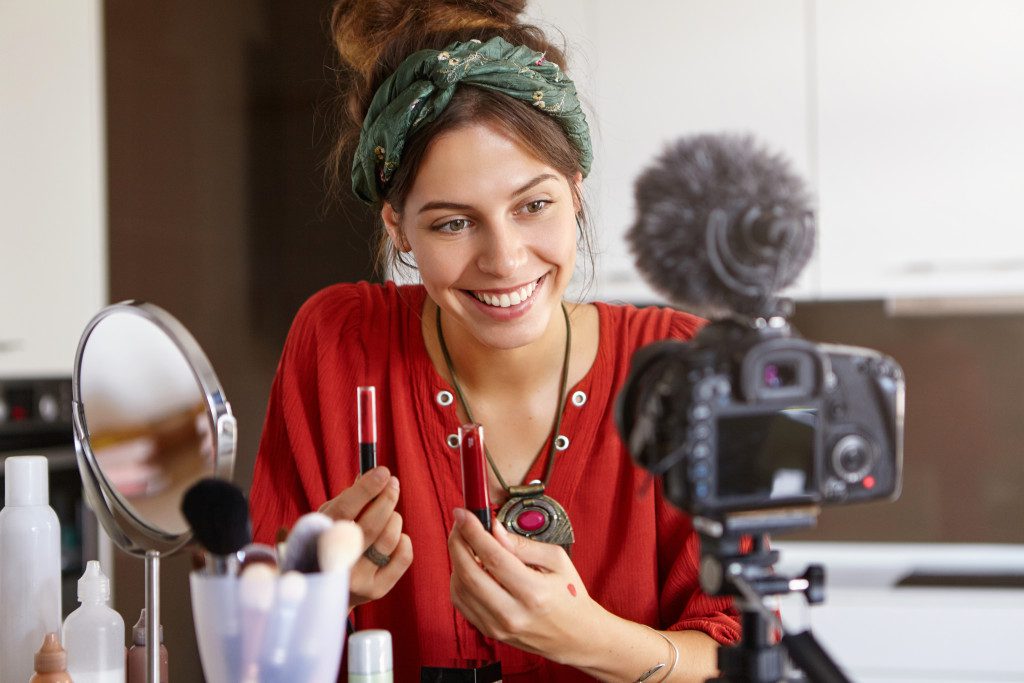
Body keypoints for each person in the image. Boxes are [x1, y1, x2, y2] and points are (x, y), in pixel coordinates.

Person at [249, 1, 741, 680]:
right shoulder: (336, 345)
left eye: (532, 205)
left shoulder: (685, 369)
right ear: (397, 228)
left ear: (574, 191)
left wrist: (590, 637)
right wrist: (315, 591)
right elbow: (250, 634)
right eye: (453, 223)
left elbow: (747, 654)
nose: (505, 260)